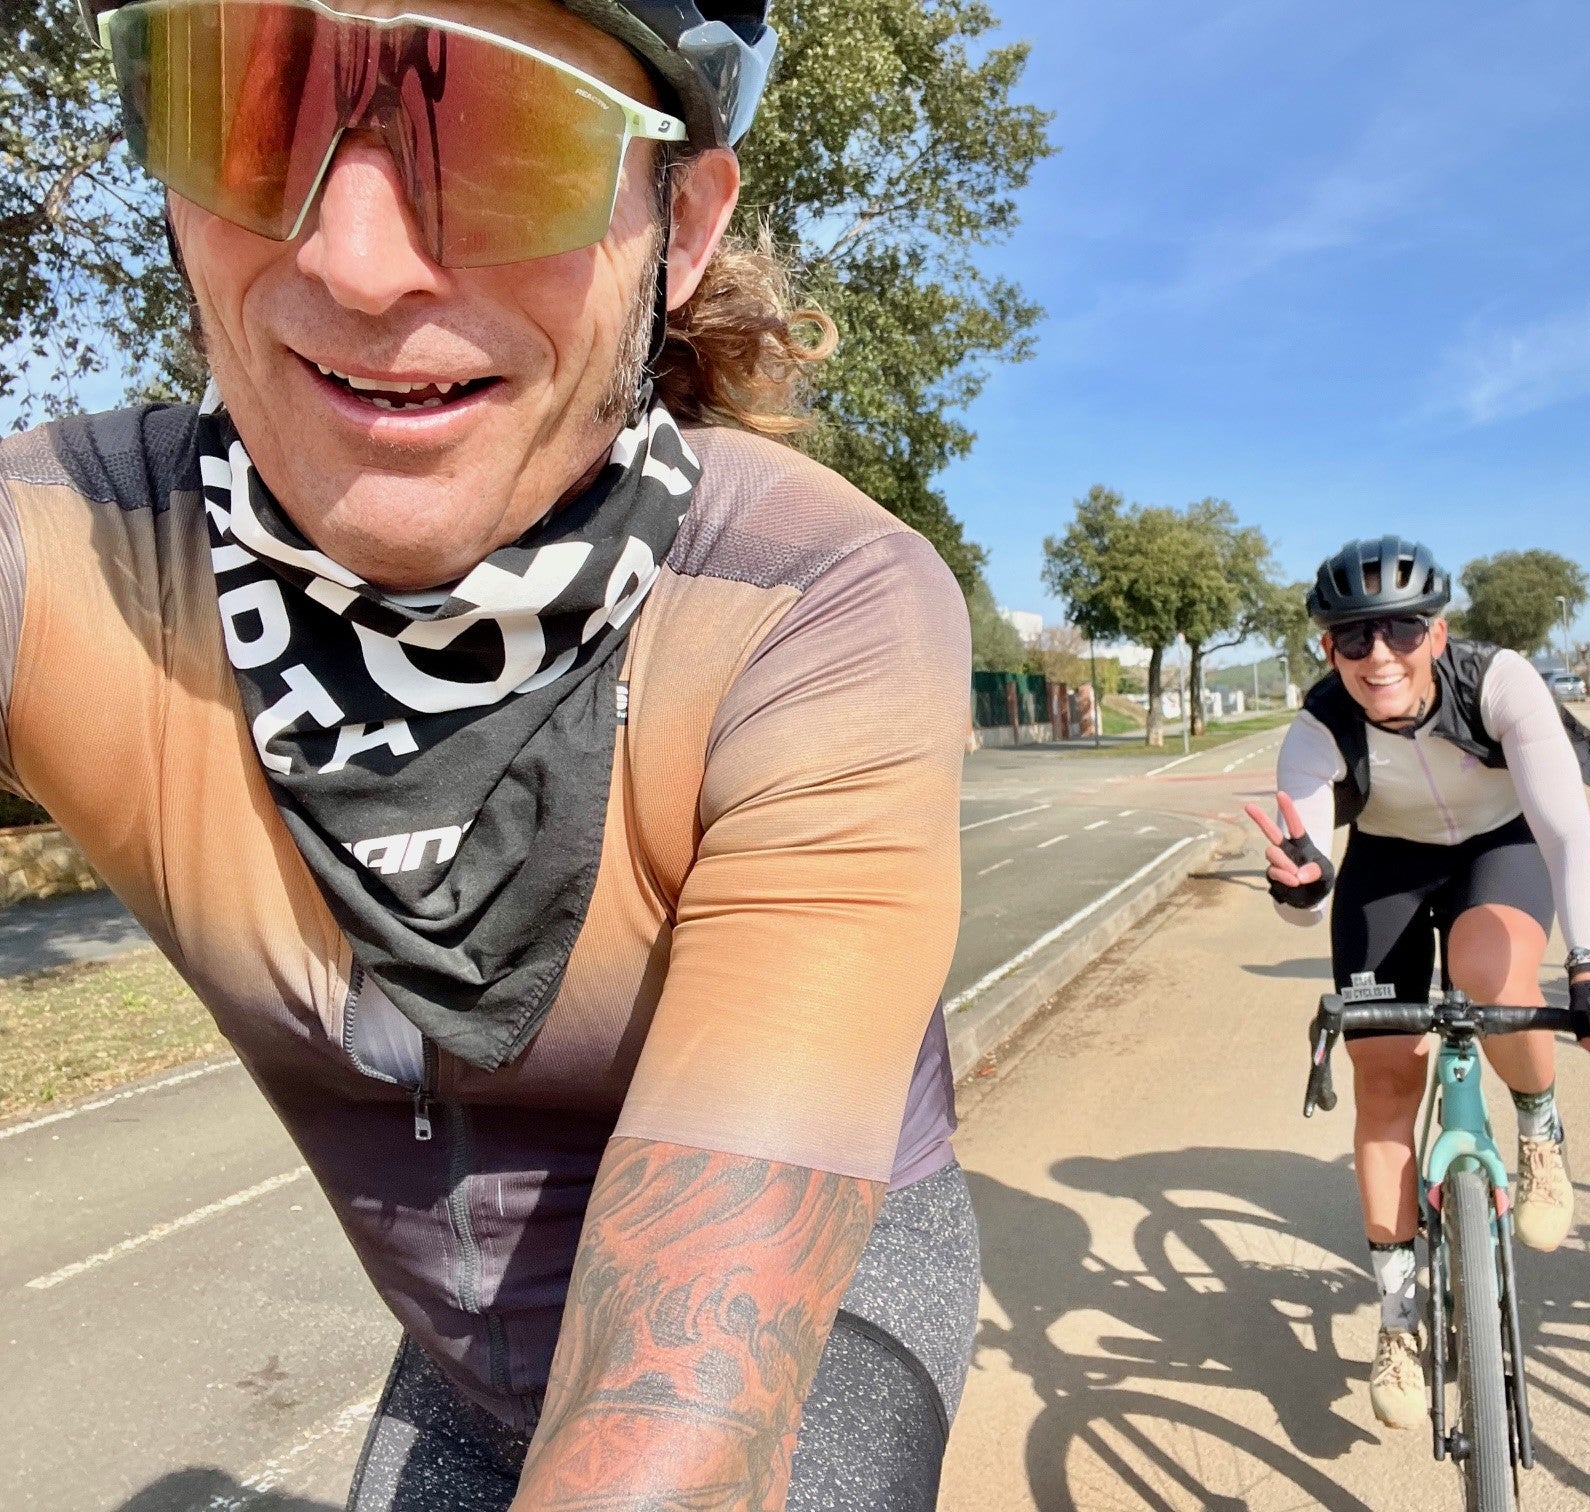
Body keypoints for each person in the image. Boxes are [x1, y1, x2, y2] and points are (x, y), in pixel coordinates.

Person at [3, 1, 978, 1506]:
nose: (355, 259)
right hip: (462, 1353)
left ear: (685, 225)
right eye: (251, 103)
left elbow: (686, 1435)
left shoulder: (809, 608)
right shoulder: (79, 559)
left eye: (512, 134)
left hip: (809, 1305)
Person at [1243, 536, 1590, 1432]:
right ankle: (1397, 1317)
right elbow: (1307, 887)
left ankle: (1538, 1129)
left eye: (1401, 630)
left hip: (1499, 848)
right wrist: (1299, 887)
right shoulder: (1318, 729)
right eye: (1354, 638)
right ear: (1328, 648)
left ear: (1438, 631)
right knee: (1384, 1073)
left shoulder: (1499, 682)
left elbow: (1567, 836)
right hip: (1387, 865)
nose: (1379, 654)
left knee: (1487, 970)